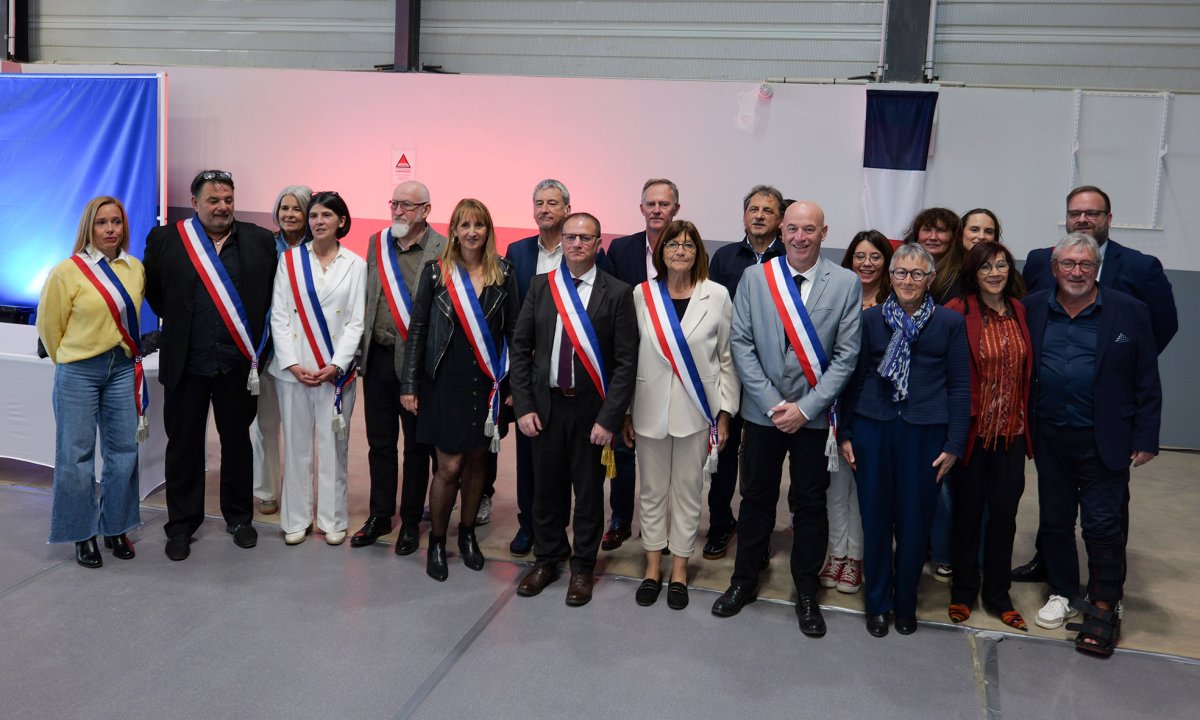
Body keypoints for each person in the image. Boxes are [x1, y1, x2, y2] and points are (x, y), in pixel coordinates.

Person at [711, 200, 861, 639]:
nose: (799, 237)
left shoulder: (846, 283)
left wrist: (806, 408)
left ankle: (807, 591)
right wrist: (774, 403)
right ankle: (743, 582)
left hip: (813, 419)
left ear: (824, 232)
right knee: (755, 499)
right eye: (792, 228)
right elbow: (741, 343)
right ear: (782, 230)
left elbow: (847, 354)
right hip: (763, 415)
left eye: (808, 229)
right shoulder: (757, 278)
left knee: (810, 506)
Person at [1013, 185, 1176, 583]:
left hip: (1105, 415)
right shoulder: (1040, 261)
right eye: (1075, 213)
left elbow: (1162, 327)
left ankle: (1106, 592)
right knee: (1055, 507)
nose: (1083, 219)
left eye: (1093, 213)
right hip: (1051, 416)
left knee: (1106, 513)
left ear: (1108, 218)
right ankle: (1052, 571)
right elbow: (1025, 319)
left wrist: (1116, 361)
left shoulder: (1140, 267)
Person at [1025, 234, 1160, 657]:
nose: (1077, 272)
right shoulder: (1031, 308)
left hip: (1105, 439)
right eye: (1068, 264)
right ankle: (1063, 592)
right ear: (1054, 267)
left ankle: (1104, 603)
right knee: (1055, 521)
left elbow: (1147, 381)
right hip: (1049, 436)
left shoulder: (1129, 311)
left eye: (1085, 264)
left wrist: (1145, 437)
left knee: (1102, 527)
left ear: (1097, 267)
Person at [144, 170, 277, 561]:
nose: (222, 207)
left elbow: (268, 294)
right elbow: (155, 293)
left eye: (228, 200)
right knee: (183, 446)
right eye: (214, 200)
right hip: (187, 363)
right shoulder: (167, 239)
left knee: (238, 443)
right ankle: (182, 524)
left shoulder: (258, 240)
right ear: (196, 201)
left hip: (237, 364)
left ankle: (239, 518)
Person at [839, 243, 969, 638]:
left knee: (915, 524)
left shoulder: (949, 323)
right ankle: (878, 602)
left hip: (925, 433)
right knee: (876, 519)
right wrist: (845, 432)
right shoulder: (871, 320)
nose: (908, 281)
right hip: (872, 428)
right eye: (900, 273)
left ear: (930, 279)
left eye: (917, 274)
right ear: (889, 276)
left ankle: (906, 602)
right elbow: (853, 377)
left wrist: (954, 443)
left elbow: (961, 386)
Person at [512, 212, 638, 607]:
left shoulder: (617, 292)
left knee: (587, 495)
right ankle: (548, 559)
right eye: (570, 238)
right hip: (547, 408)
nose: (577, 244)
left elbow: (625, 363)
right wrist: (525, 406)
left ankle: (583, 567)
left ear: (599, 243)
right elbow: (520, 350)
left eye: (585, 238)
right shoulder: (540, 286)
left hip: (591, 413)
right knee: (546, 493)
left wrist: (610, 418)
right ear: (561, 242)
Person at [401, 199, 519, 581]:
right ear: (453, 229)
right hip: (443, 382)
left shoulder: (504, 273)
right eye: (464, 225)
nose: (472, 232)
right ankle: (437, 540)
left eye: (479, 225)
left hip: (487, 385)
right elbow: (418, 329)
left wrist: (513, 385)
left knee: (477, 465)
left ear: (488, 230)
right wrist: (410, 384)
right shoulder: (437, 273)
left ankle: (467, 535)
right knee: (448, 466)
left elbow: (515, 333)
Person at [624, 220, 738, 610]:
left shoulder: (717, 296)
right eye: (673, 244)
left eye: (689, 245)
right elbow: (628, 356)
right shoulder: (642, 294)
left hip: (697, 412)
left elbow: (727, 359)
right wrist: (625, 412)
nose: (680, 251)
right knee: (652, 492)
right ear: (661, 251)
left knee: (689, 494)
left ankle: (680, 571)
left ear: (698, 252)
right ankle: (653, 567)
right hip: (648, 409)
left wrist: (724, 414)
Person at [37, 196, 145, 568]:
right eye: (102, 223)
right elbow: (49, 327)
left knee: (123, 452)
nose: (110, 229)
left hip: (120, 368)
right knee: (75, 456)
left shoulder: (134, 268)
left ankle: (116, 526)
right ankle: (82, 534)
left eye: (116, 222)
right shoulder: (67, 271)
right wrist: (70, 356)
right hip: (79, 371)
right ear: (89, 227)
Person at [351, 181, 445, 556]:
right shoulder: (377, 243)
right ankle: (379, 515)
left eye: (407, 205)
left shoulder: (442, 247)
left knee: (417, 448)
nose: (398, 211)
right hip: (377, 360)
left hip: (417, 367)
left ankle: (409, 522)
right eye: (395, 203)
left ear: (426, 210)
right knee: (380, 444)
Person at [943, 242, 1033, 630]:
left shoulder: (1020, 311)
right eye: (986, 267)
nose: (995, 273)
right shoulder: (957, 312)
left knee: (1004, 516)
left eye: (1001, 265)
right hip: (973, 436)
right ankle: (963, 592)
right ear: (973, 273)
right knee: (966, 515)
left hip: (1011, 434)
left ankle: (998, 595)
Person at [268, 191, 365, 546]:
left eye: (327, 215)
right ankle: (295, 519)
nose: (318, 221)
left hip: (335, 375)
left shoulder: (356, 265)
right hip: (293, 371)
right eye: (314, 216)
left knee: (334, 448)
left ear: (342, 221)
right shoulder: (290, 261)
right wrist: (291, 362)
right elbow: (279, 314)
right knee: (295, 447)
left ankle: (332, 518)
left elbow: (356, 322)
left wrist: (336, 364)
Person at [702, 184, 785, 561]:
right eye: (754, 209)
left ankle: (758, 529)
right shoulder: (723, 258)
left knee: (760, 459)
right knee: (724, 451)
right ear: (744, 215)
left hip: (773, 376)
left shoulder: (790, 257)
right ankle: (721, 523)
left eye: (769, 210)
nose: (760, 215)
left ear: (780, 218)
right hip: (729, 371)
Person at [599, 178, 681, 550]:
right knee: (624, 445)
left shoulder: (686, 245)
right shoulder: (621, 248)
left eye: (665, 204)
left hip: (670, 362)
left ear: (676, 209)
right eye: (651, 204)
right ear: (642, 208)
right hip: (629, 356)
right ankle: (619, 518)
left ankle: (659, 527)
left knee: (662, 448)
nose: (657, 210)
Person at [503, 179, 582, 557]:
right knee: (528, 452)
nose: (545, 209)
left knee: (567, 458)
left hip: (571, 368)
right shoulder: (516, 252)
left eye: (553, 203)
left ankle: (558, 527)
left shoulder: (582, 250)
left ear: (567, 209)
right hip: (530, 369)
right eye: (539, 203)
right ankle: (527, 525)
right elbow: (508, 317)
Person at [818, 230, 894, 594]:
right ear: (850, 259)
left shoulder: (896, 306)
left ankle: (856, 558)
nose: (867, 263)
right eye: (860, 256)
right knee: (834, 486)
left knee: (863, 488)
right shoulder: (837, 297)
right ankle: (836, 553)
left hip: (871, 410)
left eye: (875, 256)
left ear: (886, 263)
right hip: (832, 405)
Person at [251, 185, 312, 516]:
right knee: (264, 425)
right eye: (284, 208)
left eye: (297, 209)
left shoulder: (319, 250)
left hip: (303, 352)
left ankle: (298, 493)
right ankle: (266, 490)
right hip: (264, 349)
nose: (289, 214)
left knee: (300, 428)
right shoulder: (262, 246)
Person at [903, 207, 962, 305]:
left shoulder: (962, 275)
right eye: (927, 230)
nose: (933, 237)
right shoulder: (901, 268)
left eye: (941, 230)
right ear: (917, 235)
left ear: (953, 237)